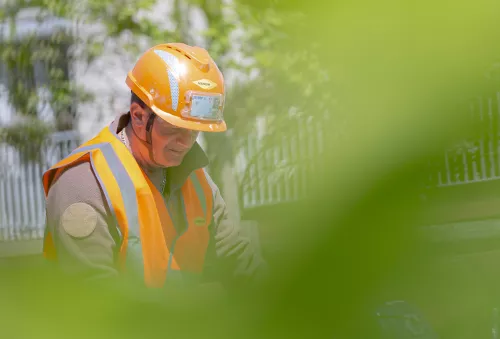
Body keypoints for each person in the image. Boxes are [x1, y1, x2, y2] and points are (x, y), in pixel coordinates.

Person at [42, 43, 267, 290]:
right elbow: (95, 300)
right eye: (174, 129)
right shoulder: (83, 184)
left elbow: (238, 258)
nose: (186, 143)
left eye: (195, 131)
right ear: (138, 116)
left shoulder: (195, 179)